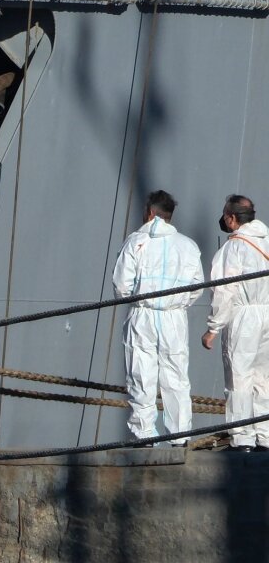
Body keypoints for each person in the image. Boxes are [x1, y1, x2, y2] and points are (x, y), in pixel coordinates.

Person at [113, 190, 204, 447]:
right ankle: (180, 436)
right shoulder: (188, 246)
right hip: (174, 318)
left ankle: (144, 436)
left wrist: (141, 300)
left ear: (150, 213)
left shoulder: (136, 242)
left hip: (143, 314)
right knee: (176, 377)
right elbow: (197, 286)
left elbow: (121, 286)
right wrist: (177, 304)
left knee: (141, 374)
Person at [202, 194, 269, 451]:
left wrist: (213, 328)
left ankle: (242, 439)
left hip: (245, 316)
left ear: (231, 219)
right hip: (267, 313)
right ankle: (265, 436)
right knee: (263, 378)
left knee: (239, 378)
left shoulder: (234, 247)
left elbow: (224, 291)